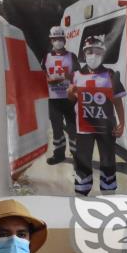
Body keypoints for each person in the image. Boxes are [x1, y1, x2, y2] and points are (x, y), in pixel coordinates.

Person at [68, 35, 126, 195]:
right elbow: (71, 99)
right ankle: (82, 191)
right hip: (83, 127)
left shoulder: (111, 75)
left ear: (103, 54)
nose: (93, 56)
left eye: (98, 52)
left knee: (108, 160)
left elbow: (117, 102)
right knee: (83, 160)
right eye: (90, 52)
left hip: (106, 127)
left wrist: (122, 123)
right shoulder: (76, 75)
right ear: (84, 54)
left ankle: (108, 192)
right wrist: (70, 93)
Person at [41, 25, 80, 165]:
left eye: (60, 38)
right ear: (51, 41)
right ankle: (59, 155)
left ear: (64, 39)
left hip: (69, 99)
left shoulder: (72, 56)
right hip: (53, 100)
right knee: (57, 129)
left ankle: (78, 156)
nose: (58, 41)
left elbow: (78, 76)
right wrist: (49, 80)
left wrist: (68, 77)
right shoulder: (46, 57)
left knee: (72, 129)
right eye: (55, 39)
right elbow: (41, 75)